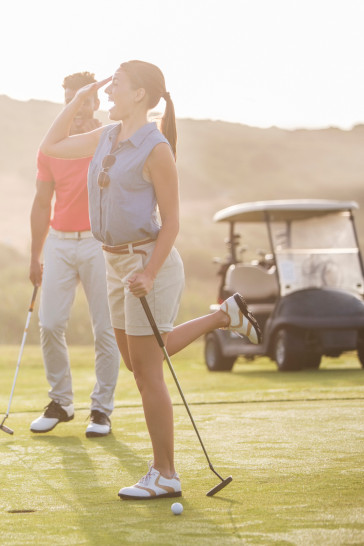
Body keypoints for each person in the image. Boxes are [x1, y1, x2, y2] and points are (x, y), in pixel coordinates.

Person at [40, 60, 261, 500]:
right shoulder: (105, 135)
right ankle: (221, 317)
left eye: (115, 85)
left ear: (139, 94)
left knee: (147, 370)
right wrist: (80, 100)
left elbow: (173, 220)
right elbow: (52, 146)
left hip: (147, 262)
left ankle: (166, 473)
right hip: (114, 264)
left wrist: (149, 271)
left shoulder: (156, 147)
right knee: (135, 359)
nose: (107, 92)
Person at [28, 71, 120, 437]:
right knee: (49, 324)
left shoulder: (109, 139)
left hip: (100, 242)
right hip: (60, 242)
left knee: (106, 330)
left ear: (97, 102)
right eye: (71, 99)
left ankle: (101, 409)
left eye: (84, 100)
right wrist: (35, 255)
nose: (78, 108)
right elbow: (40, 202)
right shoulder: (51, 148)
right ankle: (61, 402)